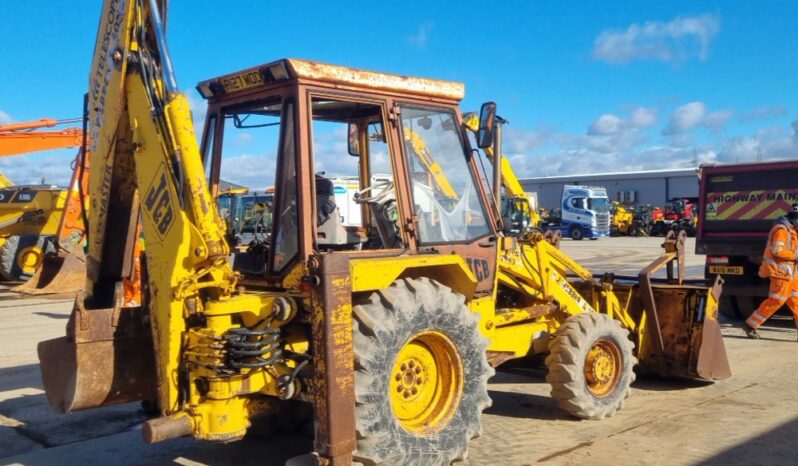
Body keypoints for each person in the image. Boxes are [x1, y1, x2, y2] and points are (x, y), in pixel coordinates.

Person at [744, 203, 798, 339]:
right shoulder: (781, 230)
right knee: (776, 300)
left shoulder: (793, 231)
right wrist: (795, 256)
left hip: (791, 273)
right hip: (780, 272)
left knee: (796, 301)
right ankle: (750, 325)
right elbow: (777, 250)